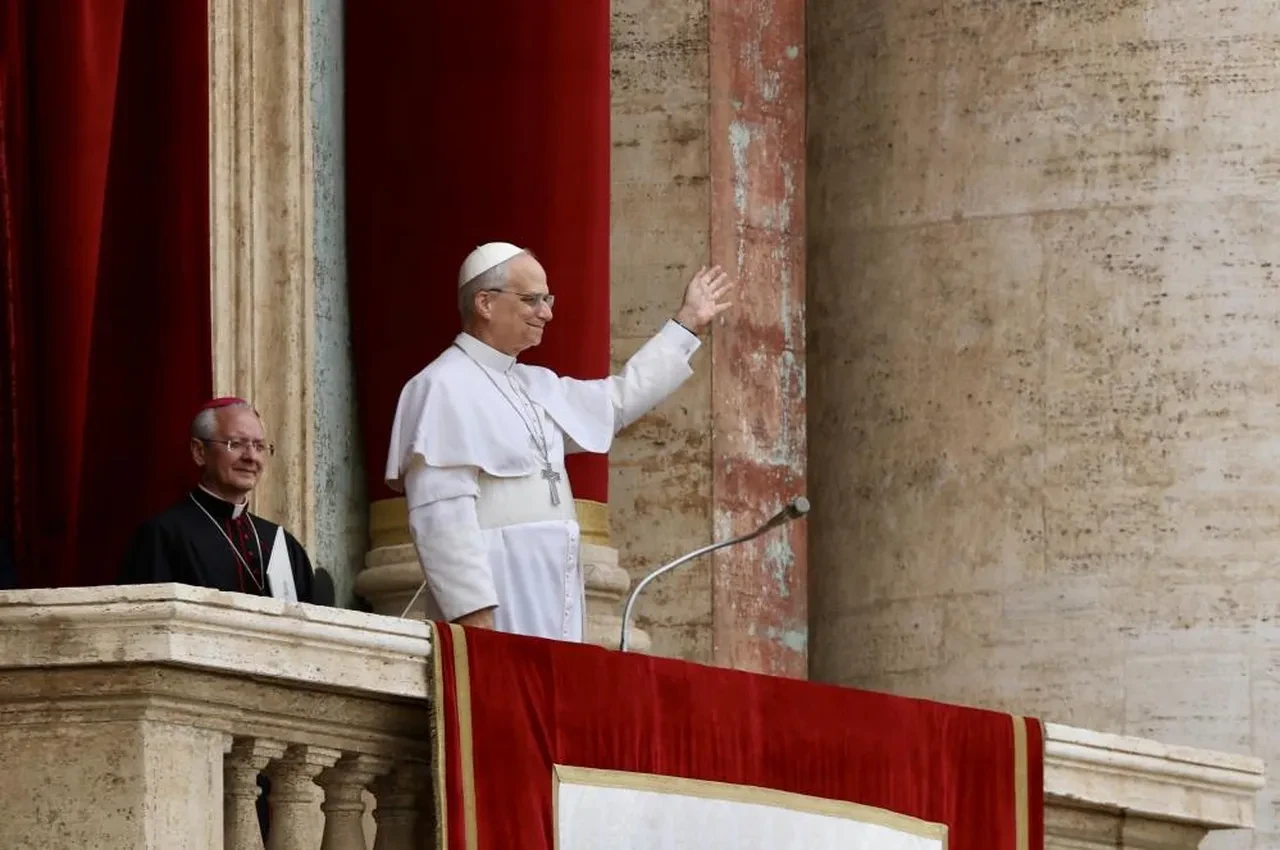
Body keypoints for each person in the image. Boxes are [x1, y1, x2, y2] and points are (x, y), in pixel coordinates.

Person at [385, 242, 732, 641]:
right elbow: (441, 518)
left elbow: (617, 401)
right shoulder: (439, 386)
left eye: (547, 299)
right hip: (500, 594)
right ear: (484, 303)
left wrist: (685, 325)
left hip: (555, 589)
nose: (546, 313)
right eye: (531, 300)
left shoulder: (535, 385)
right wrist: (474, 619)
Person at [117, 397, 315, 603]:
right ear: (199, 452)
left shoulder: (280, 542)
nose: (251, 457)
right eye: (236, 444)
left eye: (259, 446)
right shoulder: (163, 536)